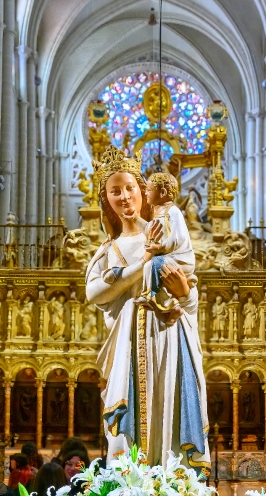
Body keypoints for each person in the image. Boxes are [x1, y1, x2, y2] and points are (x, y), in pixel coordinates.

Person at [87, 146, 210, 471]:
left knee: (170, 408)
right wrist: (141, 265)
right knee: (127, 420)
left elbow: (189, 298)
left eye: (130, 189)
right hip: (128, 342)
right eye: (115, 191)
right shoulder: (109, 249)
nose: (125, 197)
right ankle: (131, 481)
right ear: (106, 200)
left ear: (143, 192)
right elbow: (95, 292)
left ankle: (172, 479)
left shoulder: (167, 234)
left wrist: (184, 293)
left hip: (170, 339)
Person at [134, 172, 196, 323]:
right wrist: (135, 219)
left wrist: (160, 247)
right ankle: (166, 304)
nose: (145, 193)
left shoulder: (173, 211)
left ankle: (155, 298)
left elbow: (178, 238)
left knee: (154, 265)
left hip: (180, 257)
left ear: (162, 193)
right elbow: (151, 229)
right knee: (151, 266)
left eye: (148, 190)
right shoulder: (160, 212)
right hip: (168, 257)